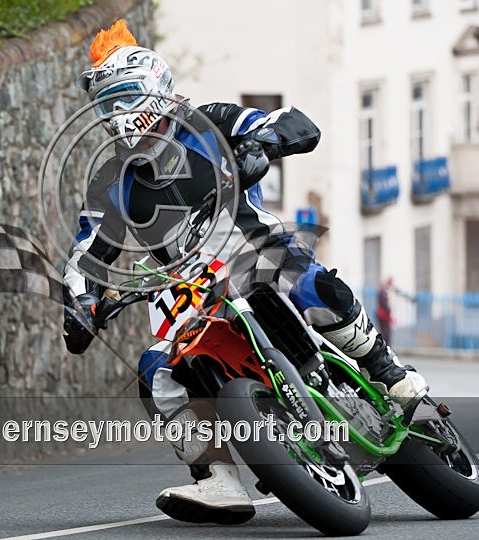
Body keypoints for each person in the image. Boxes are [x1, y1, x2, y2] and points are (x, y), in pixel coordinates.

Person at [61, 20, 429, 525]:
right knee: (156, 372)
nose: (118, 114)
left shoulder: (209, 121)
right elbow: (87, 252)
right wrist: (81, 303)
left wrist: (266, 142)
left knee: (305, 281)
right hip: (184, 291)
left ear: (155, 88)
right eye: (108, 104)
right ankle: (218, 479)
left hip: (252, 248)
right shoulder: (113, 183)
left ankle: (387, 373)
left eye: (126, 96)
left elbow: (295, 122)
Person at [376, 276, 396, 344]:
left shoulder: (385, 292)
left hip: (385, 316)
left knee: (386, 332)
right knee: (385, 333)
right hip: (384, 316)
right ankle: (386, 346)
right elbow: (385, 306)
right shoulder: (383, 293)